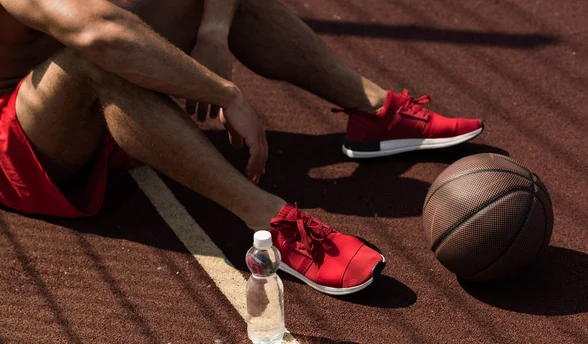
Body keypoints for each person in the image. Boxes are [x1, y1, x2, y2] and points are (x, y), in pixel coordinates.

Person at [0, 0, 483, 295]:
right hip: (21, 136)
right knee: (93, 59)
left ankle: (375, 113)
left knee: (222, 4)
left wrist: (213, 34)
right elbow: (97, 33)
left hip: (69, 81)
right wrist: (224, 92)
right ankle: (268, 221)